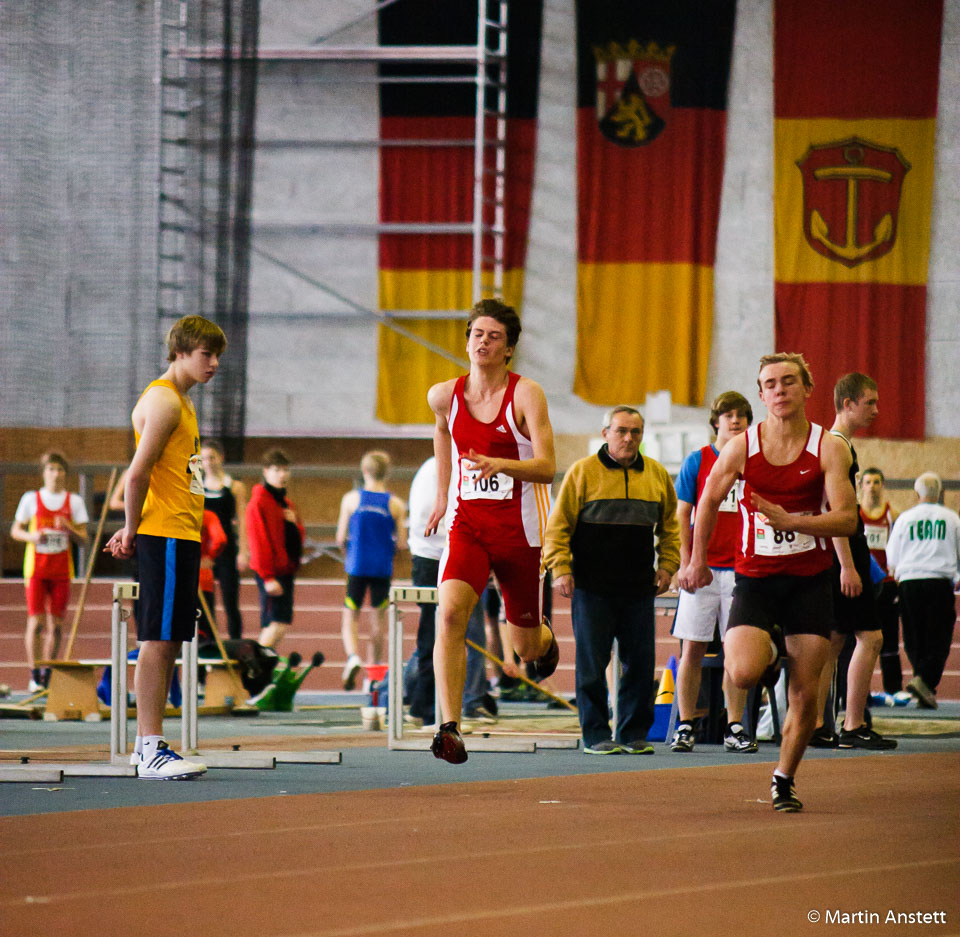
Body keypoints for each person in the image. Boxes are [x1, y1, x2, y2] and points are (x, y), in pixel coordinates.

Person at [679, 352, 857, 812]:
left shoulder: (829, 447)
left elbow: (848, 520)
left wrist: (791, 521)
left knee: (807, 698)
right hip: (756, 581)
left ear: (806, 389)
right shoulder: (742, 447)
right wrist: (696, 561)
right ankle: (771, 649)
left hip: (808, 583)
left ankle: (784, 779)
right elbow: (707, 501)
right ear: (761, 395)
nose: (779, 390)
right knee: (741, 671)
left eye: (789, 382)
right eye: (770, 384)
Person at [425, 298, 557, 763]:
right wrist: (443, 495)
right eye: (477, 334)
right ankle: (449, 727)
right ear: (467, 341)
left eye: (494, 336)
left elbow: (547, 467)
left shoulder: (526, 394)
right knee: (449, 614)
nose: (483, 341)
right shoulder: (445, 395)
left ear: (509, 349)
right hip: (470, 527)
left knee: (525, 652)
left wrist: (498, 462)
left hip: (521, 533)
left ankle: (542, 634)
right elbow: (442, 431)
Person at [104, 314, 226, 780]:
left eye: (217, 356)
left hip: (179, 532)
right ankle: (149, 746)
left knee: (169, 638)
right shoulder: (165, 401)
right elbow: (136, 473)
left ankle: (149, 745)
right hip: (167, 533)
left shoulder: (180, 402)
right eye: (205, 354)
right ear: (180, 351)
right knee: (157, 639)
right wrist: (132, 529)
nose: (213, 364)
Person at [544, 406, 679, 754]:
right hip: (592, 588)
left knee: (640, 665)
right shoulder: (582, 473)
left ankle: (633, 733)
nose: (628, 438)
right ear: (605, 433)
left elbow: (670, 528)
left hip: (638, 588)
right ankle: (595, 735)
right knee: (591, 667)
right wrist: (560, 569)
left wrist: (668, 565)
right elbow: (557, 528)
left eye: (635, 432)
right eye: (621, 431)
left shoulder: (657, 476)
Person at [809, 373, 896, 750]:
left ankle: (816, 724)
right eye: (870, 402)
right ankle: (853, 724)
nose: (876, 410)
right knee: (871, 637)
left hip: (838, 552)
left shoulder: (833, 444)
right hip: (844, 551)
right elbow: (835, 510)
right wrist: (847, 564)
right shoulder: (838, 446)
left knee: (834, 639)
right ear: (847, 404)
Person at [671, 391, 755, 753]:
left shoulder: (755, 461)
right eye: (728, 415)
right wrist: (689, 561)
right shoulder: (698, 461)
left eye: (742, 416)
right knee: (693, 648)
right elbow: (681, 515)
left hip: (742, 570)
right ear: (715, 421)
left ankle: (734, 725)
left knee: (736, 652)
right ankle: (685, 724)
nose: (735, 421)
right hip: (703, 569)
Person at [10, 452, 89, 691]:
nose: (56, 474)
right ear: (44, 473)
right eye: (51, 469)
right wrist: (32, 536)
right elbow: (16, 530)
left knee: (56, 624)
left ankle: (48, 672)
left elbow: (85, 539)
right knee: (35, 621)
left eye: (60, 470)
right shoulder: (31, 499)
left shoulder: (74, 501)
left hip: (62, 570)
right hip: (36, 568)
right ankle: (34, 673)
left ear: (65, 474)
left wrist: (68, 528)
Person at [886, 472, 960, 710]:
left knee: (913, 637)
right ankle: (925, 681)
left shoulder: (905, 519)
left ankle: (923, 684)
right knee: (938, 639)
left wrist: (898, 573)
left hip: (909, 581)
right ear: (940, 494)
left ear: (916, 494)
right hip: (939, 581)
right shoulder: (952, 518)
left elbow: (892, 555)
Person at [336, 451, 407, 689]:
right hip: (382, 568)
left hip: (357, 565)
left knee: (350, 615)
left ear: (364, 471)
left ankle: (352, 656)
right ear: (387, 473)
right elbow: (402, 543)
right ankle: (373, 673)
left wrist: (351, 553)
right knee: (378, 620)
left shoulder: (350, 499)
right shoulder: (395, 504)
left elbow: (339, 538)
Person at [245, 449, 305, 649]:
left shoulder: (286, 504)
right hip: (272, 573)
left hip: (286, 570)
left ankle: (263, 675)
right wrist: (268, 577)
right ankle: (252, 674)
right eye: (277, 469)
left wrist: (293, 523)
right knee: (275, 625)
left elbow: (300, 536)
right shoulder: (259, 503)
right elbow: (258, 542)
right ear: (265, 471)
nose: (283, 474)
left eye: (286, 469)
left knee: (277, 626)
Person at [859, 467, 909, 703]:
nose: (872, 486)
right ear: (862, 486)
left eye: (876, 482)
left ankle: (894, 686)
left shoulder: (893, 514)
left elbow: (903, 544)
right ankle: (861, 690)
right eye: (868, 482)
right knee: (862, 636)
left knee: (889, 635)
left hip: (887, 582)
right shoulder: (856, 514)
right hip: (862, 582)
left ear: (883, 485)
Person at [201, 439, 249, 639]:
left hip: (227, 550)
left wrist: (244, 552)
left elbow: (243, 520)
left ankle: (236, 646)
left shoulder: (235, 487)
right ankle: (209, 645)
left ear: (221, 458)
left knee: (231, 601)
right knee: (205, 602)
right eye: (203, 458)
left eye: (211, 457)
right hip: (204, 552)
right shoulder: (196, 487)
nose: (208, 462)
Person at [197, 509, 228, 643]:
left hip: (177, 576)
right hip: (203, 576)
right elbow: (220, 539)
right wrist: (210, 556)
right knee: (205, 627)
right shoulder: (207, 516)